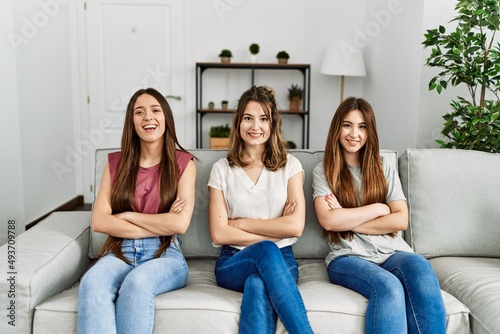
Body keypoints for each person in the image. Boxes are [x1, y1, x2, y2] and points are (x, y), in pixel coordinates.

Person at [312, 97, 446, 334]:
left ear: (370, 131)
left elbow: (400, 220)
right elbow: (329, 221)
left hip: (393, 251)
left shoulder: (383, 166)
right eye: (347, 125)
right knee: (389, 286)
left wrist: (347, 217)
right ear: (337, 128)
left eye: (362, 127)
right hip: (348, 257)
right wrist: (379, 208)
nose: (354, 134)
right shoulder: (323, 171)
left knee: (420, 266)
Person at [77, 88, 196, 334]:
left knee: (137, 282)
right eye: (139, 112)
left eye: (155, 110)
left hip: (165, 254)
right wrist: (160, 221)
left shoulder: (184, 163)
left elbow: (179, 225)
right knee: (91, 283)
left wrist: (128, 215)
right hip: (120, 252)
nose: (148, 117)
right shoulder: (115, 164)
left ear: (166, 118)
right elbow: (100, 221)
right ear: (132, 123)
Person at [208, 85, 314, 334]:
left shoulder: (291, 166)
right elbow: (219, 234)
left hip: (283, 260)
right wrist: (276, 230)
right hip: (233, 260)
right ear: (238, 123)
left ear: (272, 124)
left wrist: (241, 223)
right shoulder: (221, 169)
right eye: (248, 118)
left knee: (256, 284)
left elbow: (295, 227)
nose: (255, 127)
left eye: (263, 119)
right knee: (266, 250)